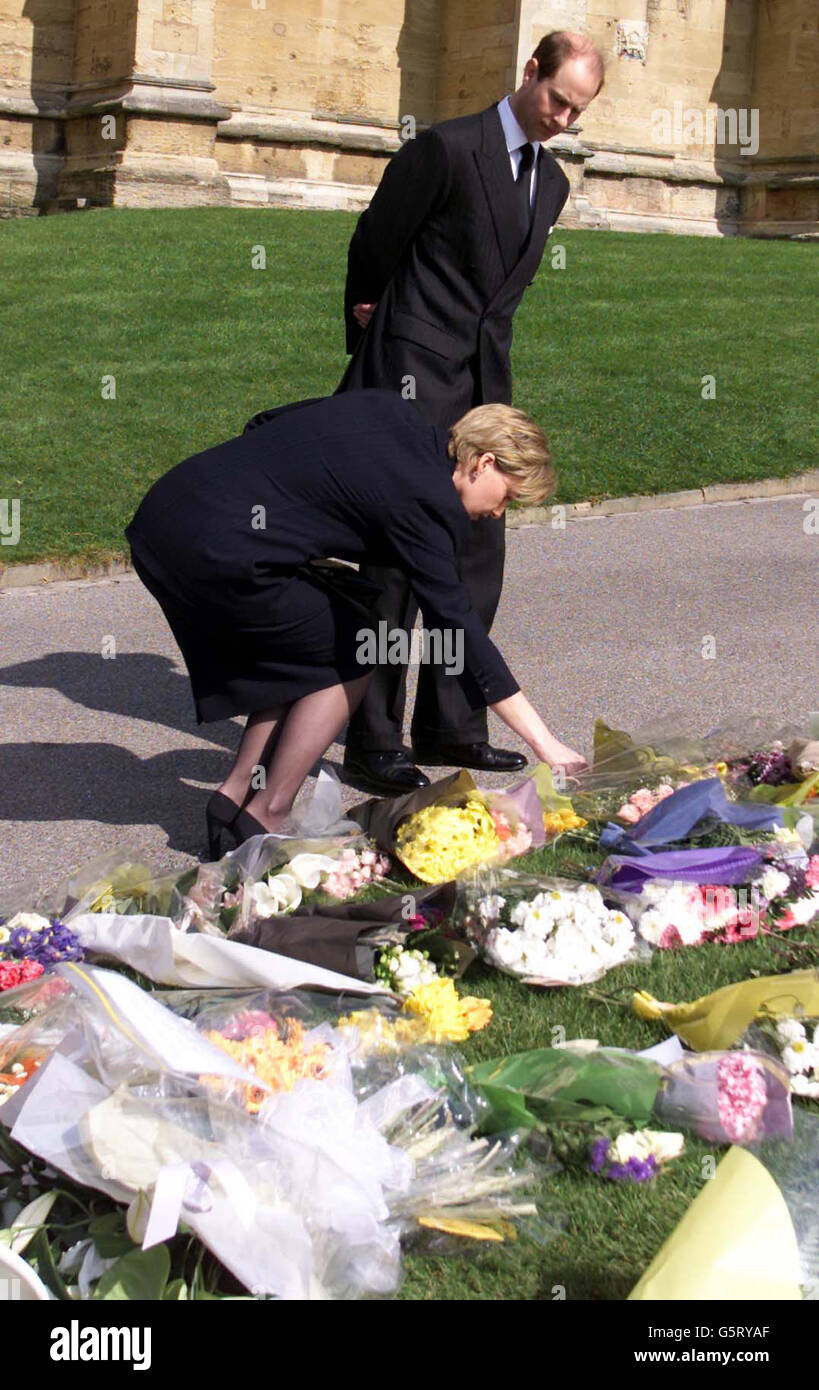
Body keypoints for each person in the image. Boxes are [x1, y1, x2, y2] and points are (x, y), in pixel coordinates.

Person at [124, 389, 587, 855]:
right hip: (209, 552)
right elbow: (458, 627)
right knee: (359, 647)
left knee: (313, 637)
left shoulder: (391, 409)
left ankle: (234, 796)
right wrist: (546, 743)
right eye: (508, 496)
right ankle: (268, 813)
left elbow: (264, 422)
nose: (498, 512)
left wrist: (294, 512)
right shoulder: (425, 503)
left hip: (167, 509)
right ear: (484, 462)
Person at [335, 30, 604, 797]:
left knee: (476, 560)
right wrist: (373, 324)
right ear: (529, 71)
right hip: (407, 379)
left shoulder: (550, 185)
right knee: (392, 566)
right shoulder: (446, 149)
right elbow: (375, 241)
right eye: (555, 100)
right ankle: (371, 738)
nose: (560, 119)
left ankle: (453, 724)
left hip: (485, 388)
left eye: (575, 112)